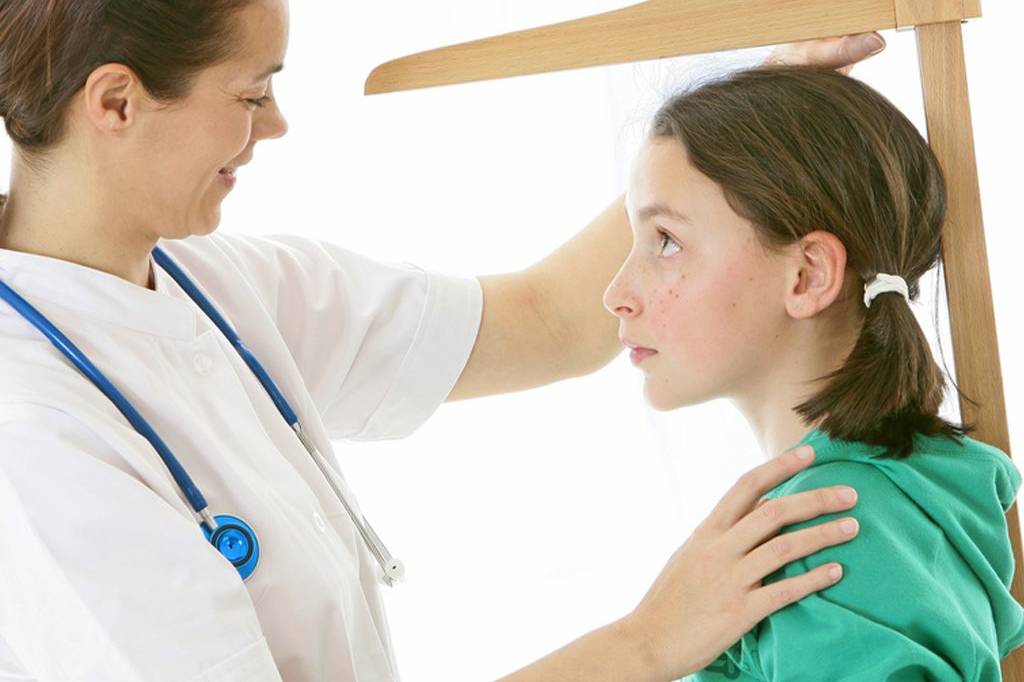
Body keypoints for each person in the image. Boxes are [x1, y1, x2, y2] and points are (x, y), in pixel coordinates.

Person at [0, 1, 883, 680]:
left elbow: (544, 321)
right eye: (252, 93)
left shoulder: (226, 286)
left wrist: (755, 99)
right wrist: (647, 643)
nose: (275, 125)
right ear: (116, 102)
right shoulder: (30, 429)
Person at [602, 64, 1024, 680]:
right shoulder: (920, 484)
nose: (617, 292)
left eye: (666, 241)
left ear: (808, 276)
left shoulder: (822, 537)